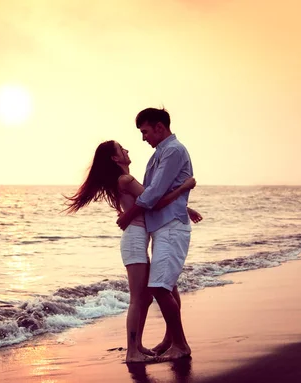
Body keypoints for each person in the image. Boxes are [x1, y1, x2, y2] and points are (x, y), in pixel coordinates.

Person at [64, 139, 201, 363]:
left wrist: (185, 207)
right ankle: (132, 352)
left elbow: (149, 199)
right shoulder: (125, 179)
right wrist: (184, 188)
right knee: (138, 299)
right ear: (115, 158)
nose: (126, 150)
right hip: (135, 240)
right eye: (121, 149)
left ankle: (140, 345)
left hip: (138, 239)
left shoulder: (124, 179)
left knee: (146, 297)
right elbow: (154, 202)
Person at [116, 107, 196, 362]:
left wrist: (128, 216)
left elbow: (153, 193)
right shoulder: (161, 153)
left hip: (170, 225)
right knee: (167, 287)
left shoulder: (172, 151)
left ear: (159, 127)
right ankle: (171, 340)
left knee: (159, 287)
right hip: (162, 225)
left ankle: (180, 345)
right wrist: (183, 196)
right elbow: (152, 191)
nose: (143, 138)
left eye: (145, 131)